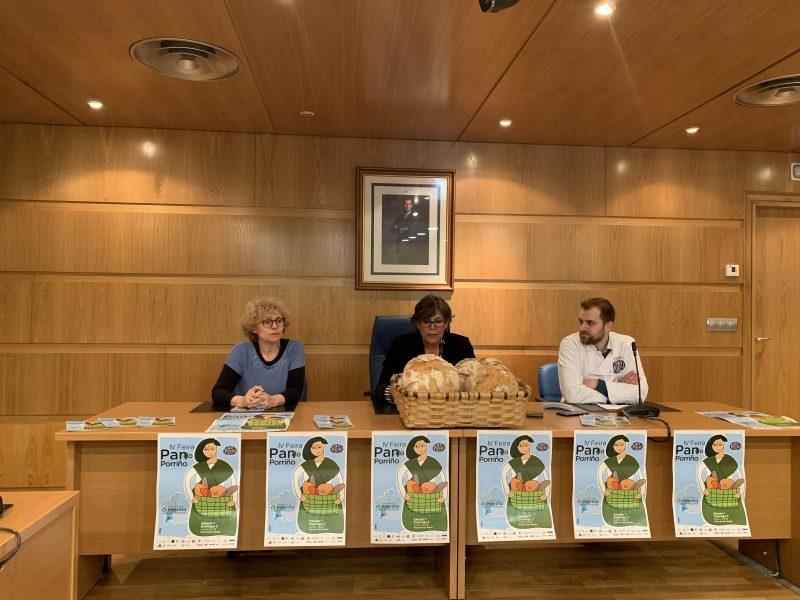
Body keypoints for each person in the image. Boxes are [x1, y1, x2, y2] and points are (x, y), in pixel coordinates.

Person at [374, 295, 475, 404]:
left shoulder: (461, 345)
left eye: (438, 321)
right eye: (426, 321)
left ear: (446, 323)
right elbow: (381, 389)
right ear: (417, 324)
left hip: (452, 410)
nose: (432, 327)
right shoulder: (401, 345)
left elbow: (473, 387)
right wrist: (398, 394)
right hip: (411, 409)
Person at [212, 298, 305, 410]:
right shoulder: (241, 351)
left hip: (285, 413)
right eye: (267, 322)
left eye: (279, 320)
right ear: (254, 328)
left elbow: (296, 390)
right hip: (247, 413)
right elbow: (218, 392)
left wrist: (273, 400)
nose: (275, 326)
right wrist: (243, 400)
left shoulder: (294, 348)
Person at [557, 297, 648, 405]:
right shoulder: (570, 344)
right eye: (581, 321)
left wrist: (597, 384)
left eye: (590, 323)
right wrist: (618, 388)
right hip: (578, 412)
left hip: (618, 414)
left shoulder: (626, 343)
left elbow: (640, 393)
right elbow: (573, 395)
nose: (582, 328)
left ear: (608, 326)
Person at [183, 438, 238, 536]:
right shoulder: (198, 467)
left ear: (216, 449)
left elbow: (234, 484)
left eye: (212, 448)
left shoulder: (225, 466)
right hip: (201, 501)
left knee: (223, 526)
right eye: (206, 449)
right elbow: (186, 481)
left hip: (222, 501)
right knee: (201, 524)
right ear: (201, 451)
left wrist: (234, 500)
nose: (209, 452)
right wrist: (191, 497)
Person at [292, 436, 345, 534]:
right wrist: (300, 495)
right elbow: (295, 479)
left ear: (324, 446)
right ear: (309, 449)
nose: (317, 450)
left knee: (330, 524)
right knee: (310, 522)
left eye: (319, 447)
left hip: (329, 499)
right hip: (309, 499)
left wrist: (341, 498)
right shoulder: (306, 465)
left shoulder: (331, 464)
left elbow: (340, 482)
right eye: (313, 447)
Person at [396, 435, 448, 532]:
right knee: (413, 521)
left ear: (426, 446)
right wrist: (404, 494)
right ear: (412, 448)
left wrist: (444, 496)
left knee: (435, 523)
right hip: (413, 498)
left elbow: (443, 480)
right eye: (417, 446)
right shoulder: (409, 464)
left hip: (433, 498)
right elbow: (399, 477)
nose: (420, 448)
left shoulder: (433, 462)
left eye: (422, 445)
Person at [501, 435, 552, 529]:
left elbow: (546, 478)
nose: (523, 448)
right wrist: (507, 491)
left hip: (535, 495)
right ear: (516, 447)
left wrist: (547, 494)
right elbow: (503, 475)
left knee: (538, 521)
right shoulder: (513, 462)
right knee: (516, 519)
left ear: (530, 445)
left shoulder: (537, 461)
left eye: (526, 445)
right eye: (520, 445)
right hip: (516, 495)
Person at [696, 434, 747, 526]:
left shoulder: (730, 460)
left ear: (724, 444)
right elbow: (699, 474)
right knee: (712, 516)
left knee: (734, 519)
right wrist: (703, 490)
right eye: (715, 445)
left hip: (730, 494)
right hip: (712, 494)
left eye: (720, 444)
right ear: (711, 446)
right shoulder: (707, 461)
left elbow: (740, 477)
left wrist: (741, 492)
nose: (718, 447)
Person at [597, 434, 647, 527]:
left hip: (631, 494)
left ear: (625, 445)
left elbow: (641, 478)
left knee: (634, 518)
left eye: (622, 444)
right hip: (612, 495)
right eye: (616, 445)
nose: (619, 447)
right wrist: (604, 490)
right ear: (612, 446)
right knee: (612, 515)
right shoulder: (608, 462)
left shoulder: (632, 461)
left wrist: (641, 493)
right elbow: (599, 475)